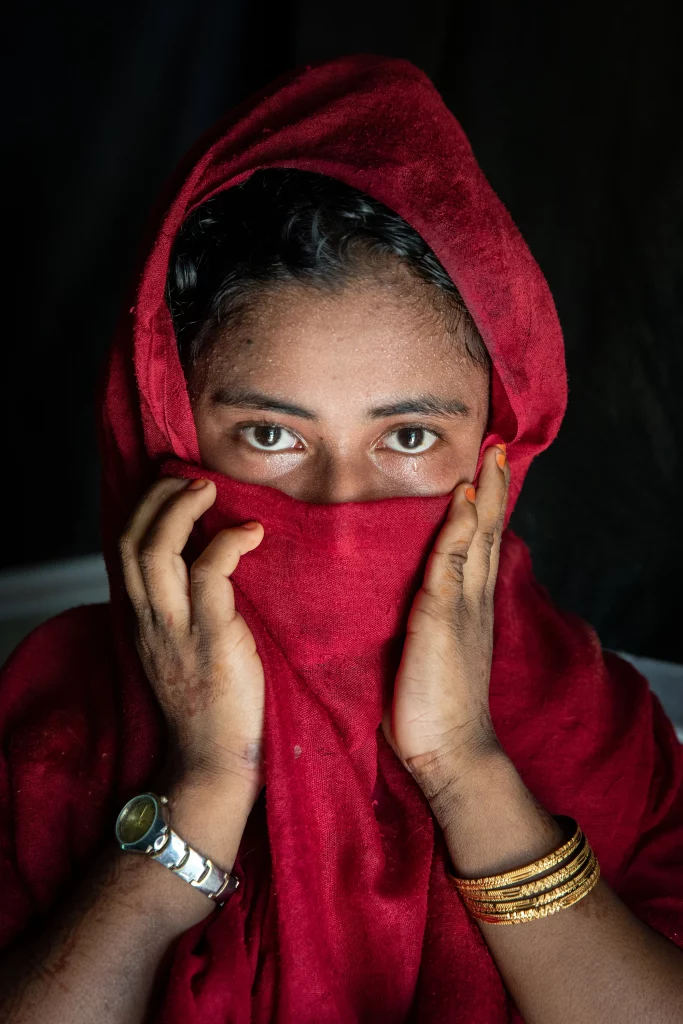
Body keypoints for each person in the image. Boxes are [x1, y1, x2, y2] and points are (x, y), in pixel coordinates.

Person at [0, 54, 681, 1024]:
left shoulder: (595, 724)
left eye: (407, 437)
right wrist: (202, 781)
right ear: (171, 431)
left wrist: (463, 763)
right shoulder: (51, 717)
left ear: (496, 446)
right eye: (272, 436)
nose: (338, 499)